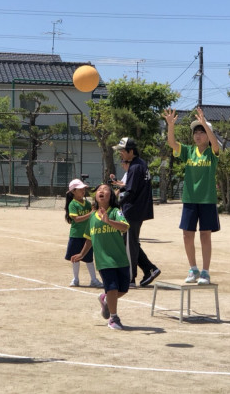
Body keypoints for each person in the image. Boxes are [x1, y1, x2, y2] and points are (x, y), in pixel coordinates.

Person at [163, 107, 220, 285]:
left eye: (202, 131)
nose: (198, 134)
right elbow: (172, 143)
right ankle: (193, 268)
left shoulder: (212, 153)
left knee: (205, 235)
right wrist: (170, 125)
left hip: (207, 200)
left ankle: (205, 272)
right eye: (196, 131)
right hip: (189, 199)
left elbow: (216, 145)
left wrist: (205, 124)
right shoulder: (188, 151)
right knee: (187, 235)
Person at [71, 183, 130, 330]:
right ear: (96, 196)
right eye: (99, 190)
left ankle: (104, 299)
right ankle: (114, 318)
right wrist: (82, 254)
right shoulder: (92, 216)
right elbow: (89, 238)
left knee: (123, 289)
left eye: (105, 190)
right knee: (112, 288)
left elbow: (125, 227)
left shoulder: (116, 211)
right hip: (104, 260)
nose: (101, 191)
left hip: (120, 258)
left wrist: (109, 221)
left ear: (111, 196)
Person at [112, 137, 161, 288]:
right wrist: (119, 189)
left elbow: (131, 192)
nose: (120, 154)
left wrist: (116, 205)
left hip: (133, 210)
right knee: (130, 242)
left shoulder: (135, 167)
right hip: (137, 209)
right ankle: (149, 269)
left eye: (122, 151)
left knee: (128, 244)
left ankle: (130, 277)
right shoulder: (140, 164)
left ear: (130, 151)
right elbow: (130, 186)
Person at [64, 178, 103, 288]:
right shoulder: (73, 204)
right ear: (73, 191)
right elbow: (76, 219)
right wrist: (91, 213)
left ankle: (94, 280)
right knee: (75, 258)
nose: (83, 191)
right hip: (76, 235)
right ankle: (75, 279)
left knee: (89, 258)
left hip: (87, 235)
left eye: (83, 189)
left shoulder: (86, 203)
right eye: (80, 189)